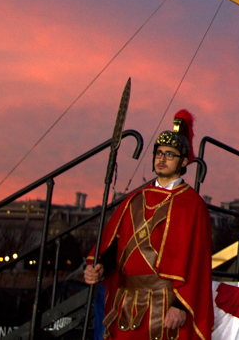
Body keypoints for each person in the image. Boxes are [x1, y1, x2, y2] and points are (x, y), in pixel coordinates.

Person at [84, 110, 212, 340]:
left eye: (170, 155)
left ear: (183, 161)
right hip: (126, 301)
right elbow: (117, 245)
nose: (161, 159)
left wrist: (181, 306)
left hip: (165, 305)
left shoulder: (193, 205)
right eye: (159, 153)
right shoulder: (133, 199)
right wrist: (100, 266)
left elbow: (197, 262)